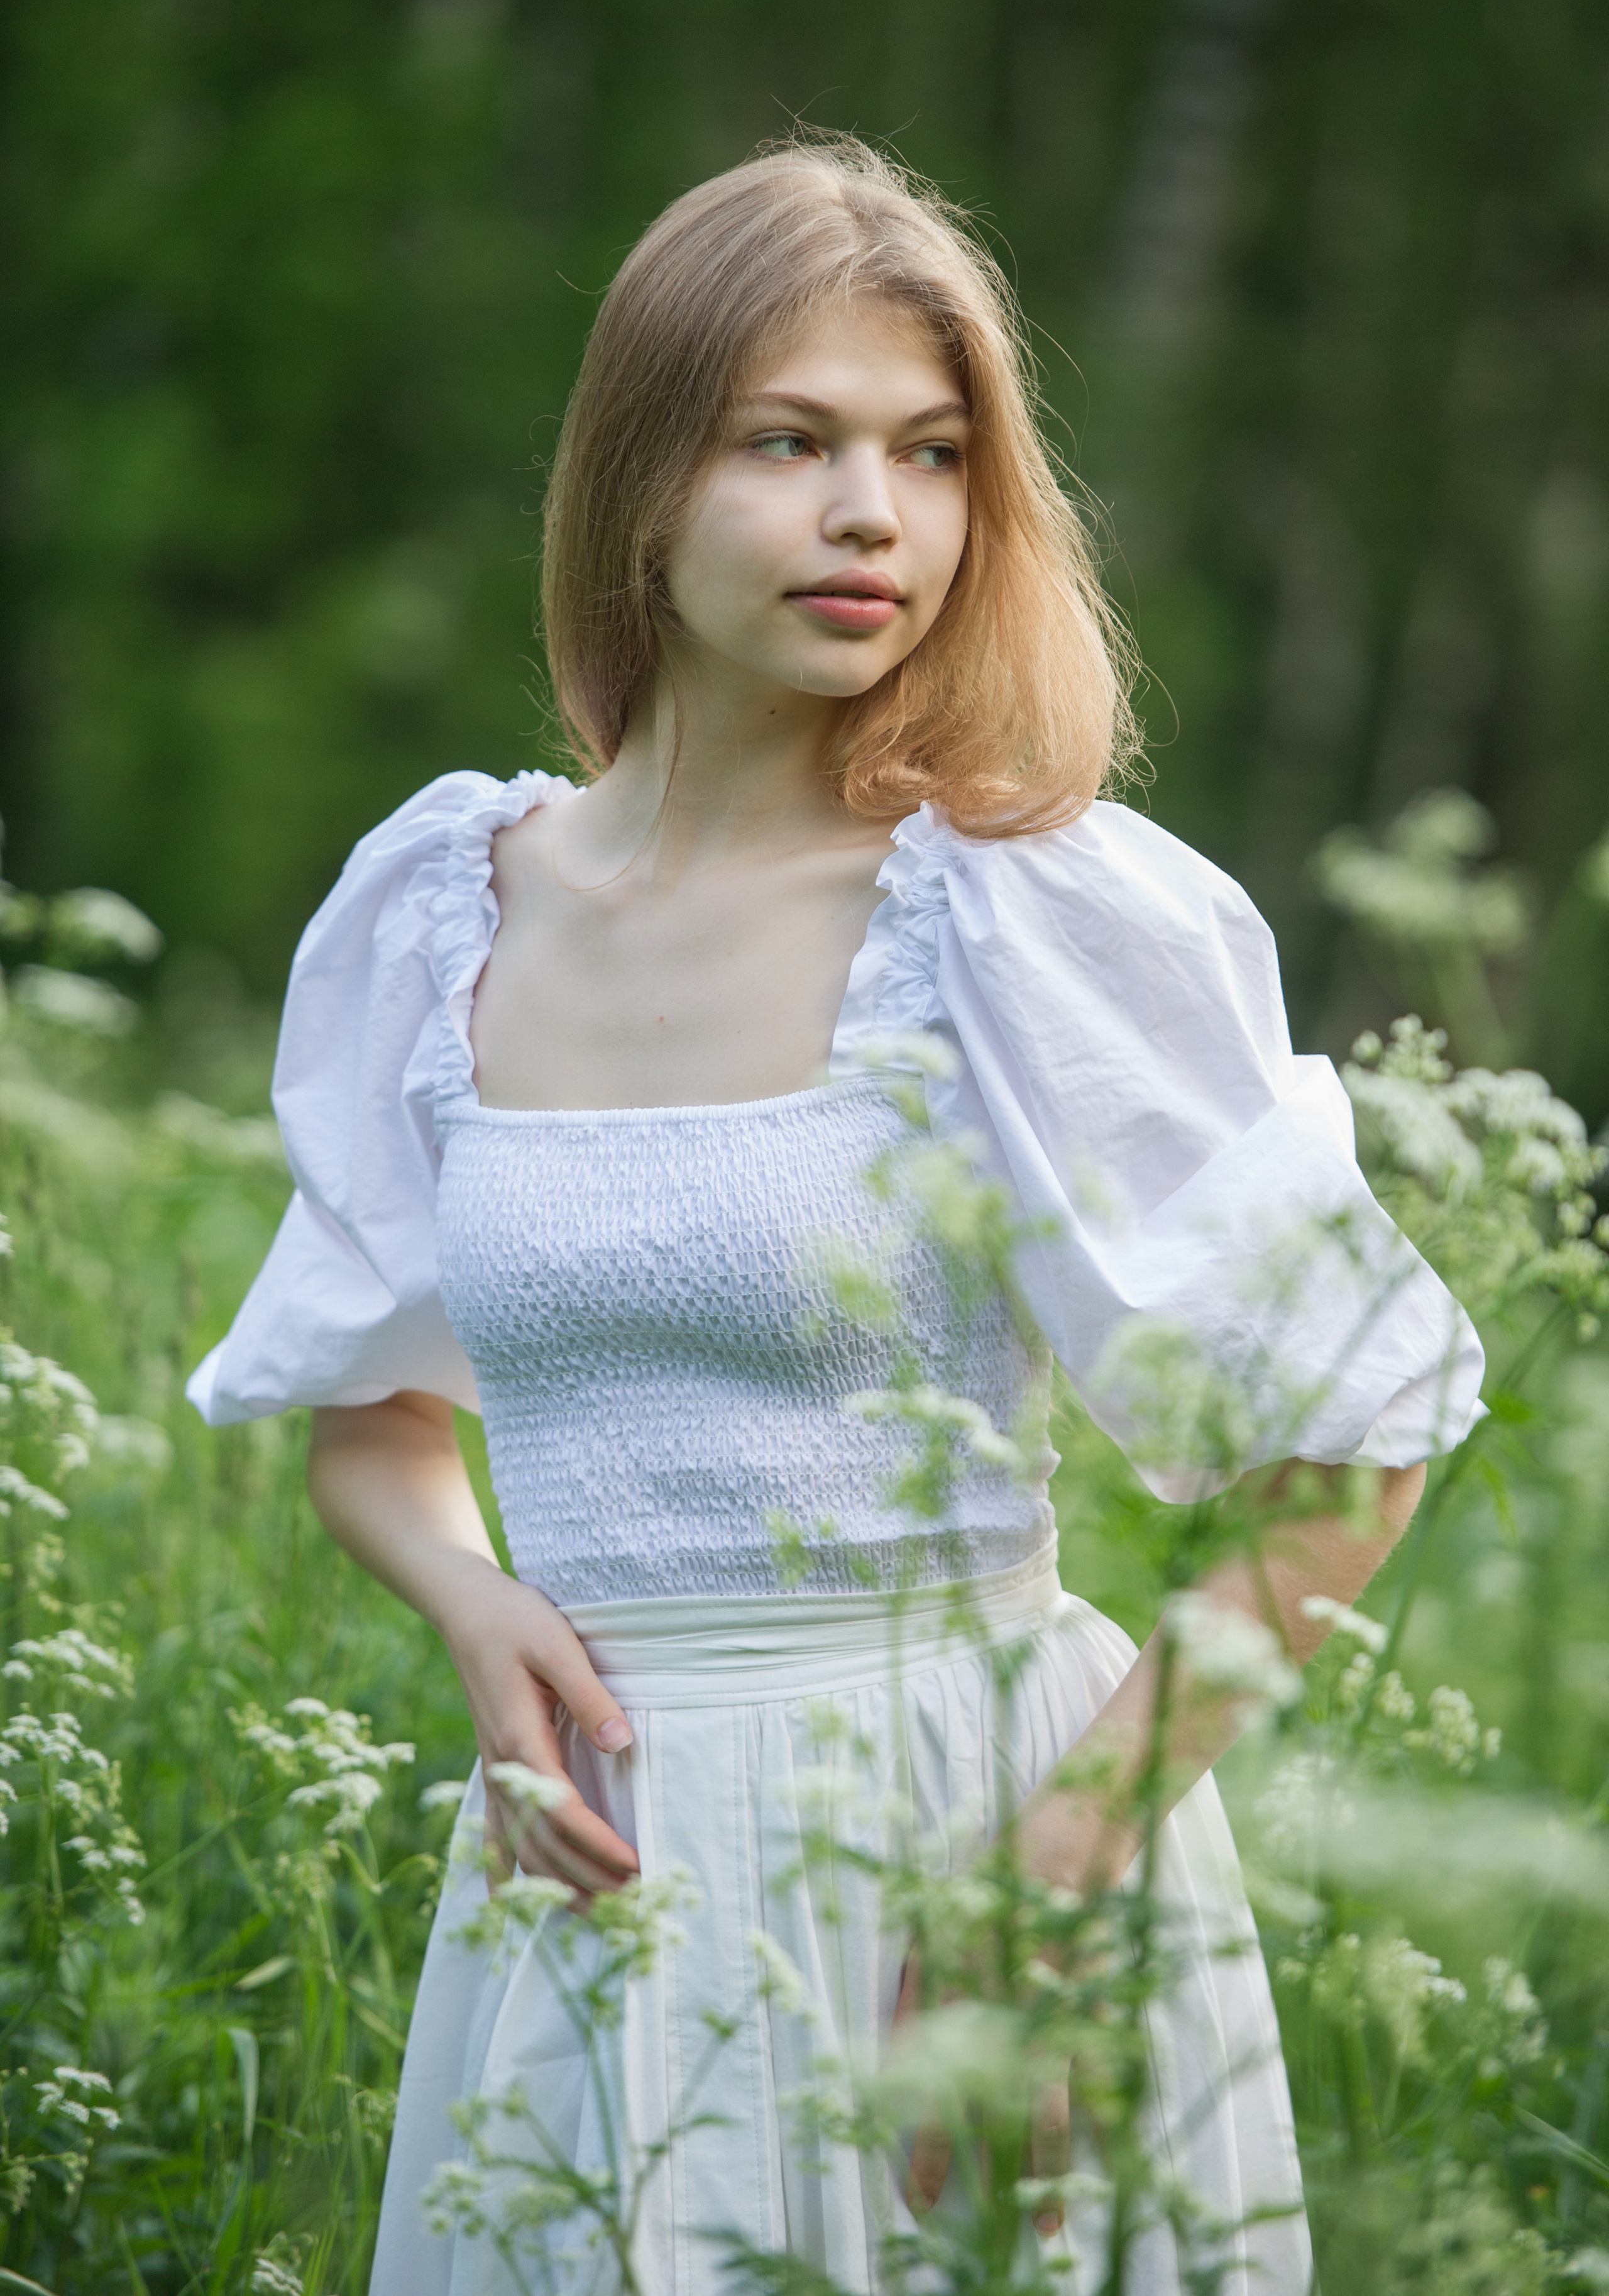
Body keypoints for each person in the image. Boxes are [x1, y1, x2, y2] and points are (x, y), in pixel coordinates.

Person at [189, 135, 1485, 2295]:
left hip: (970, 1859)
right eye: (788, 442)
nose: (872, 514)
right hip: (589, 1887)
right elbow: (375, 1413)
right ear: (636, 484)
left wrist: (1053, 1876)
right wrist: (469, 1601)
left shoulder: (1022, 912)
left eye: (932, 452)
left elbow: (1353, 1450)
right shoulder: (443, 912)